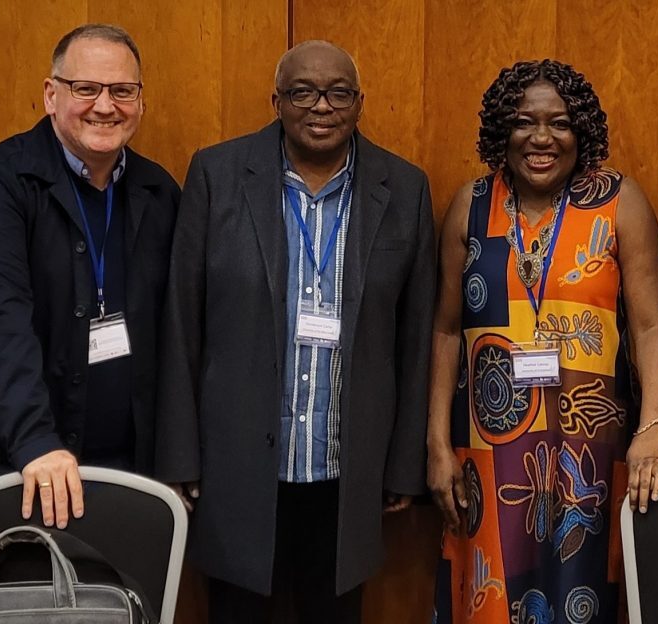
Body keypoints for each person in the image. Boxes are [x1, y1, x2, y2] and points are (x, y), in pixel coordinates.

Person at [154, 40, 435, 624]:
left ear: (360, 103)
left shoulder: (404, 188)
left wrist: (404, 463)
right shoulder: (218, 174)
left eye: (337, 93)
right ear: (276, 101)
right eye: (303, 92)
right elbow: (181, 322)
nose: (321, 107)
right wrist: (180, 453)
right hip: (235, 469)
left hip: (346, 473)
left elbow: (416, 339)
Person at [428, 59, 658, 624]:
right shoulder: (472, 205)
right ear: (501, 132)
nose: (541, 138)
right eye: (524, 122)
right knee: (487, 596)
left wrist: (654, 428)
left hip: (592, 450)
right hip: (486, 452)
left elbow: (650, 328)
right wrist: (436, 443)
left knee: (585, 593)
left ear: (580, 131)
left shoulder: (619, 201)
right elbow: (444, 330)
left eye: (559, 123)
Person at [0, 24, 180, 529]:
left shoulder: (159, 192)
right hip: (18, 469)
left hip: (128, 475)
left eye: (122, 91)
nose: (105, 106)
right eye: (85, 88)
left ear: (141, 101)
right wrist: (36, 443)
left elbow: (178, 335)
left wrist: (176, 457)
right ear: (51, 94)